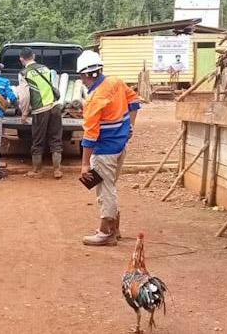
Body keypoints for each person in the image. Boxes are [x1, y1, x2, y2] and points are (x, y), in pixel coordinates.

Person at [77, 50, 140, 247]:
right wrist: (130, 126)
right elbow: (134, 102)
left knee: (104, 190)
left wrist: (85, 164)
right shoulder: (115, 82)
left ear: (87, 74)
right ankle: (115, 228)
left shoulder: (94, 99)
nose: (81, 80)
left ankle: (106, 233)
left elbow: (90, 136)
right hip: (120, 147)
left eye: (81, 76)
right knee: (109, 186)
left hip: (104, 151)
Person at [19, 47, 63, 179]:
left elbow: (25, 96)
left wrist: (24, 113)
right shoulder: (45, 68)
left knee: (38, 140)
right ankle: (57, 170)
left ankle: (37, 171)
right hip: (55, 107)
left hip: (40, 110)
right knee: (56, 138)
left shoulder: (24, 73)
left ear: (21, 59)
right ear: (33, 56)